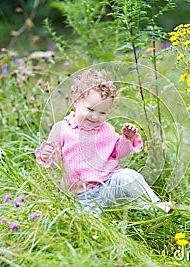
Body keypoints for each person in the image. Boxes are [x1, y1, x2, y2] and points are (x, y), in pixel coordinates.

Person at [35, 69, 172, 217]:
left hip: (108, 187)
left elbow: (118, 153)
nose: (95, 117)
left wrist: (127, 138)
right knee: (88, 224)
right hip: (81, 197)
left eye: (102, 113)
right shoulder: (62, 129)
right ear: (75, 100)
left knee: (129, 176)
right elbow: (55, 163)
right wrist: (46, 155)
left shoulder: (106, 130)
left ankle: (154, 207)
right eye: (90, 109)